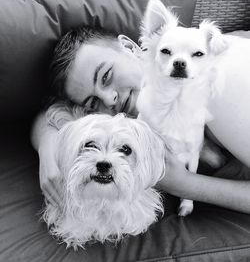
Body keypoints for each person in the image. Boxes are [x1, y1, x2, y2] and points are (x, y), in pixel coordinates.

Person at [32, 26, 250, 214]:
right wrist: (47, 148)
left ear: (129, 48)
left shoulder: (216, 81)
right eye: (92, 103)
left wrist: (186, 185)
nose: (109, 99)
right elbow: (50, 113)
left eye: (106, 76)